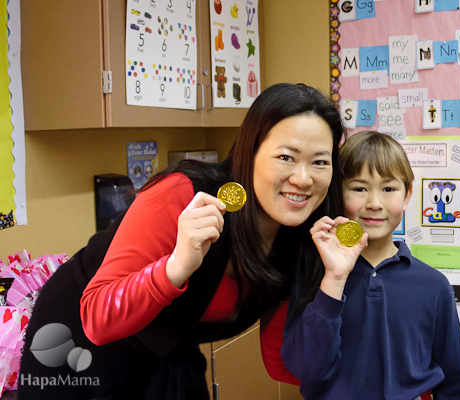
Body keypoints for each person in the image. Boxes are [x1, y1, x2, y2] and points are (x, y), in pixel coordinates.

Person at [16, 83, 346, 400]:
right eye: (286, 157)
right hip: (73, 353)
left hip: (165, 364)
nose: (303, 179)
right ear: (250, 153)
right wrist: (177, 266)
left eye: (319, 162)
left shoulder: (301, 241)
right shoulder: (184, 195)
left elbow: (280, 360)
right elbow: (97, 320)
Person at [275, 131, 460, 400]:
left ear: (407, 196)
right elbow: (307, 369)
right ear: (338, 192)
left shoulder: (433, 285)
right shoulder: (316, 274)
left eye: (389, 189)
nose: (374, 204)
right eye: (359, 188)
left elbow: (455, 381)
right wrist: (334, 279)